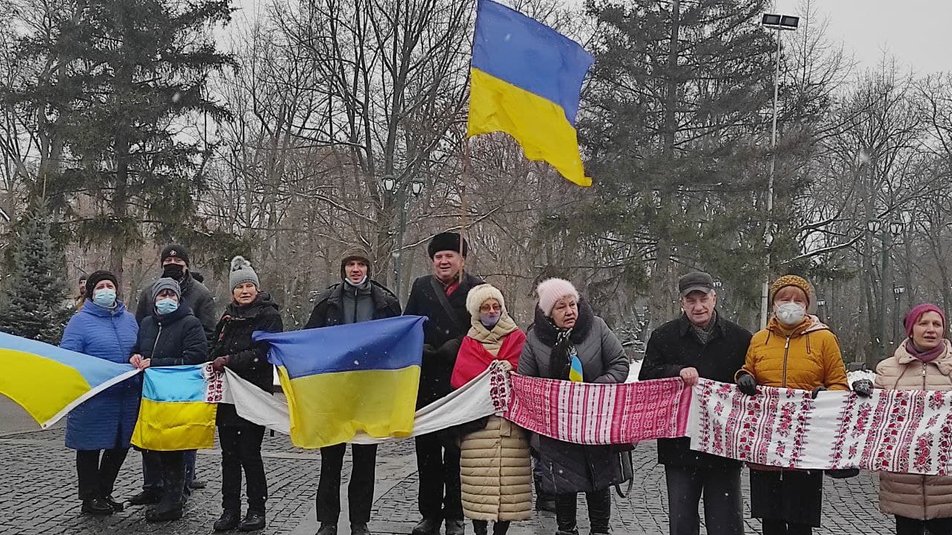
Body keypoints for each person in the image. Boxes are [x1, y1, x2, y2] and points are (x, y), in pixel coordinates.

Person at [734, 274, 849, 535]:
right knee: (770, 517)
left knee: (800, 519)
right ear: (774, 303)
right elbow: (747, 369)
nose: (791, 304)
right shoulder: (760, 338)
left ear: (807, 306)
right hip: (766, 440)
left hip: (807, 442)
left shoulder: (824, 339)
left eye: (798, 299)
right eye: (785, 298)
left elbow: (839, 383)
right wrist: (744, 378)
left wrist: (826, 397)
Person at [639, 271, 752, 535]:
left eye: (703, 299)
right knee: (682, 523)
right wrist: (675, 371)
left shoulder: (740, 338)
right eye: (691, 300)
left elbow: (753, 373)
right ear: (681, 302)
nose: (698, 306)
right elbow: (647, 378)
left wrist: (746, 378)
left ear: (714, 298)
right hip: (680, 445)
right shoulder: (663, 337)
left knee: (726, 524)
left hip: (723, 447)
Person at [517, 278, 629, 535]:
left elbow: (620, 364)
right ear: (548, 313)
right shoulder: (535, 339)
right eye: (560, 307)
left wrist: (595, 388)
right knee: (563, 484)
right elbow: (525, 383)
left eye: (572, 304)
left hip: (595, 421)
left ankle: (600, 530)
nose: (569, 311)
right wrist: (553, 397)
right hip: (557, 426)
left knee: (598, 481)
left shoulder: (597, 327)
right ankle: (566, 530)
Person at [305, 249, 401, 535]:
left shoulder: (386, 302)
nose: (356, 269)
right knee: (330, 460)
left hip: (370, 391)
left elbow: (397, 340)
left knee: (365, 460)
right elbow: (311, 338)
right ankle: (328, 521)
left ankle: (360, 521)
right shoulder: (327, 301)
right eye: (350, 264)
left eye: (360, 264)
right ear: (343, 269)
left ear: (368, 269)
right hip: (334, 391)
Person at [404, 232, 483, 535]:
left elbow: (488, 328)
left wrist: (461, 344)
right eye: (438, 257)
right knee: (426, 452)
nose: (443, 261)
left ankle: (455, 514)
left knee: (457, 453)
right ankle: (430, 514)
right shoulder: (422, 287)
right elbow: (408, 322)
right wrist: (419, 344)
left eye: (450, 255)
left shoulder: (477, 289)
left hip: (460, 383)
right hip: (426, 382)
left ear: (462, 259)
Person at [132, 243, 214, 496]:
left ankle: (181, 486)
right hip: (153, 379)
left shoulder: (201, 294)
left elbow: (208, 335)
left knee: (181, 433)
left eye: (177, 263)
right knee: (152, 431)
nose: (172, 266)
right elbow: (142, 328)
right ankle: (153, 485)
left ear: (186, 265)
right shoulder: (149, 293)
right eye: (167, 263)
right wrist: (137, 355)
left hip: (183, 375)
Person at [450, 284, 531, 535]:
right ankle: (479, 531)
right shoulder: (469, 343)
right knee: (478, 487)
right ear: (476, 312)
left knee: (509, 489)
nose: (492, 311)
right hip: (478, 428)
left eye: (496, 306)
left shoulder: (518, 338)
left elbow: (529, 374)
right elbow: (461, 383)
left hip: (511, 427)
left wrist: (510, 370)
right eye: (485, 307)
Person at [209, 257, 283, 532]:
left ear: (257, 288)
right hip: (228, 397)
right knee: (229, 455)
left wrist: (230, 360)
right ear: (232, 292)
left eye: (249, 285)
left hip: (254, 395)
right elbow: (214, 347)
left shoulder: (269, 316)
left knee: (250, 453)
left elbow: (264, 353)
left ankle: (256, 509)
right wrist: (216, 357)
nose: (245, 291)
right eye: (240, 287)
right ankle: (230, 509)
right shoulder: (227, 317)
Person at [60, 270, 139, 515]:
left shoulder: (129, 319)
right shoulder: (80, 321)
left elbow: (139, 347)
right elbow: (68, 356)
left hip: (126, 397)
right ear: (92, 293)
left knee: (120, 446)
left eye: (110, 285)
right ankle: (90, 497)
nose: (106, 290)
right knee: (90, 447)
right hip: (94, 396)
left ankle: (105, 490)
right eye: (100, 286)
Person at [875, 303, 952, 535]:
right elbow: (876, 418)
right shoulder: (888, 369)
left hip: (947, 480)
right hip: (903, 480)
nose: (931, 329)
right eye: (923, 323)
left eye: (937, 324)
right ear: (911, 329)